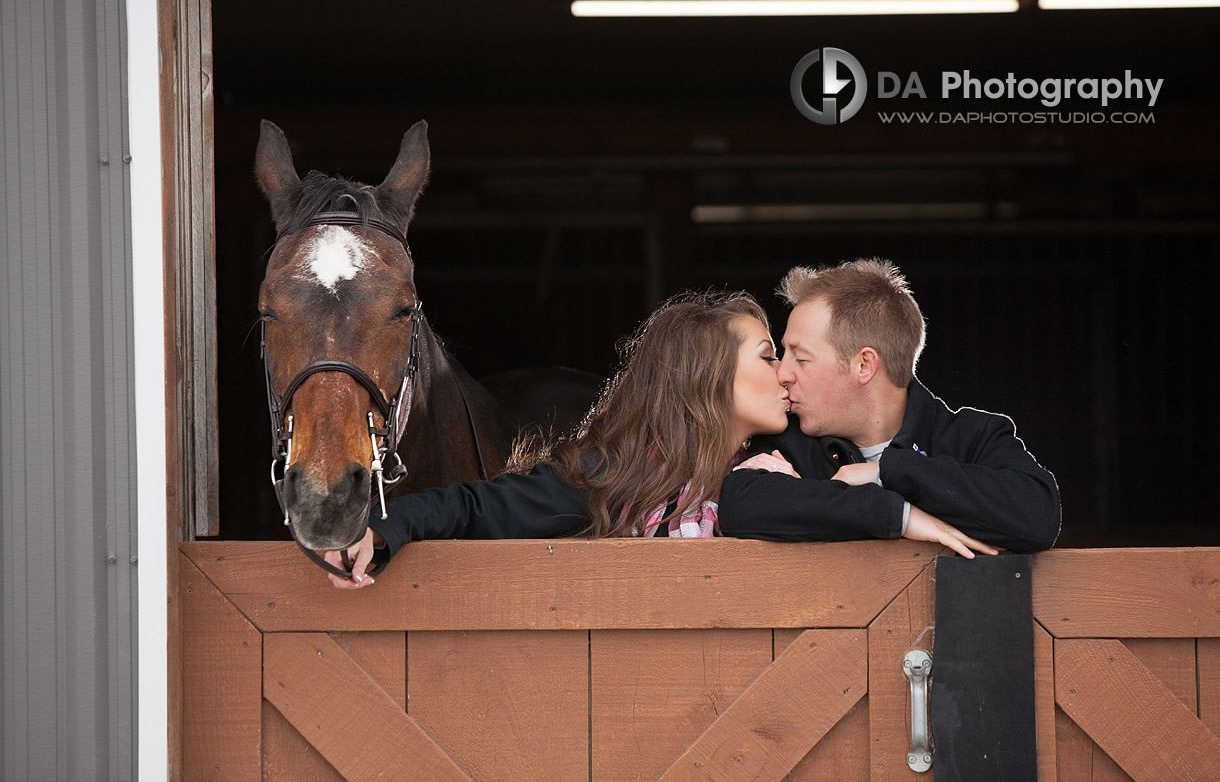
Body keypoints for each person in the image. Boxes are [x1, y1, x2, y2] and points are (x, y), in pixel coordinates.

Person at [327, 290, 994, 589]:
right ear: (708, 380)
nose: (788, 373)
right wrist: (382, 528)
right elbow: (478, 507)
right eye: (768, 356)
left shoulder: (801, 463)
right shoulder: (616, 477)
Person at [717, 258, 1061, 553]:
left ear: (864, 366)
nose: (784, 373)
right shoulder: (789, 440)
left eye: (801, 358)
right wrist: (900, 515)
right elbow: (740, 505)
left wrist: (885, 472)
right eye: (782, 353)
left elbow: (1038, 516)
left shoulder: (973, 436)